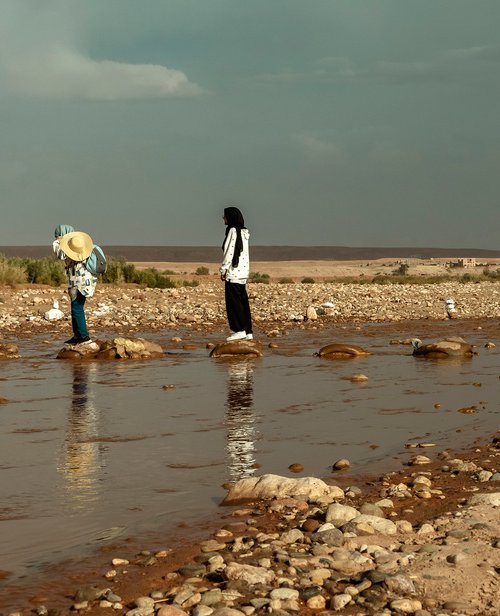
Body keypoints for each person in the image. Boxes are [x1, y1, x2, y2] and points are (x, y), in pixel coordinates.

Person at [53, 225, 97, 345]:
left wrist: (59, 241)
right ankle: (77, 335)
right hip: (86, 279)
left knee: (77, 307)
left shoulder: (66, 246)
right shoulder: (80, 246)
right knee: (76, 307)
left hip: (78, 281)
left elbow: (61, 255)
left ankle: (83, 337)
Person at [220, 206, 253, 341]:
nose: (223, 219)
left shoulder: (233, 231)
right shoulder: (244, 232)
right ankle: (248, 331)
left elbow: (230, 251)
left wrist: (223, 269)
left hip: (234, 272)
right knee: (243, 302)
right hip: (243, 272)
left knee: (234, 303)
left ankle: (239, 330)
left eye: (225, 216)